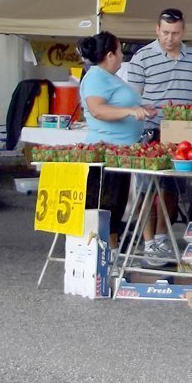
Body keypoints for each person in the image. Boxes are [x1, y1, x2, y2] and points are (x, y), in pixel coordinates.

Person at [127, 8, 192, 263]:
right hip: (149, 132)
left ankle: (162, 236)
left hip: (181, 134)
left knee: (173, 186)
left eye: (175, 33)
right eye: (165, 33)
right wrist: (138, 112)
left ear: (184, 31)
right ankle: (148, 241)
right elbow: (131, 97)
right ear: (156, 30)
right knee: (145, 188)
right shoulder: (142, 58)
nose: (170, 38)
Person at [79, 32, 158, 248]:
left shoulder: (110, 77)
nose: (123, 56)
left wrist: (140, 110)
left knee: (115, 209)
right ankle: (101, 257)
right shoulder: (96, 77)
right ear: (110, 55)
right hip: (106, 152)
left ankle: (110, 257)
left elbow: (116, 105)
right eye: (120, 51)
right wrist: (131, 111)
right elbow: (98, 110)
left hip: (120, 153)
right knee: (105, 208)